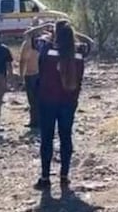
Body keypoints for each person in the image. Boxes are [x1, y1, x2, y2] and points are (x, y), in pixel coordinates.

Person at [34, 20, 94, 190]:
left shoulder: (46, 49)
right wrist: (73, 32)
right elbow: (91, 42)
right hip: (69, 101)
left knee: (47, 138)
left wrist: (45, 27)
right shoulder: (80, 51)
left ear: (55, 34)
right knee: (66, 137)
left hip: (47, 100)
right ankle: (64, 175)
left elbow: (30, 36)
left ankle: (45, 177)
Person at [18, 25, 42, 130]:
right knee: (39, 99)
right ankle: (40, 120)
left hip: (30, 74)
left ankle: (34, 121)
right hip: (41, 74)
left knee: (32, 100)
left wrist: (21, 76)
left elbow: (23, 61)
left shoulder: (27, 44)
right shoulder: (42, 43)